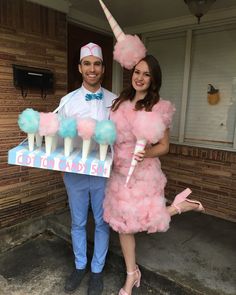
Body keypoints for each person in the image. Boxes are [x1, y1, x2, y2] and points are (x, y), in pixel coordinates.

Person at [103, 54, 204, 295]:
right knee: (123, 226)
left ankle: (181, 207)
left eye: (146, 74)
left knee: (141, 220)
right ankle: (132, 273)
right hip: (119, 171)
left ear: (154, 79)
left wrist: (145, 153)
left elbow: (164, 146)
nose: (140, 77)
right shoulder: (120, 102)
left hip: (143, 172)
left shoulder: (159, 108)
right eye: (137, 72)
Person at [58, 42, 117, 295]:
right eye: (87, 64)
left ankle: (97, 271)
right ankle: (80, 265)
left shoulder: (115, 102)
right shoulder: (67, 102)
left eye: (97, 64)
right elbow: (56, 138)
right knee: (78, 222)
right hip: (75, 173)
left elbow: (122, 138)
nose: (92, 69)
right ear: (79, 68)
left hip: (105, 174)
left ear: (103, 68)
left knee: (103, 223)